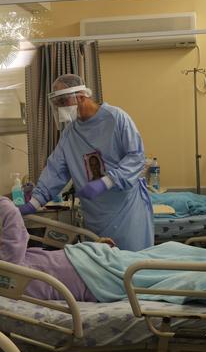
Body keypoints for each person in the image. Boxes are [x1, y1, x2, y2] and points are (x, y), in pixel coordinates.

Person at [0, 188, 206, 302]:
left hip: (96, 261)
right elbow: (15, 227)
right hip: (98, 275)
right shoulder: (5, 267)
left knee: (168, 251)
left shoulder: (14, 260)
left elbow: (48, 256)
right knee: (167, 266)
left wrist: (96, 246)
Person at [19, 74, 154, 251]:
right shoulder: (70, 134)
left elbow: (136, 157)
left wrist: (107, 181)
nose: (59, 107)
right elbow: (56, 169)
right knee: (102, 268)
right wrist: (35, 202)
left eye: (63, 101)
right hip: (95, 214)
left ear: (81, 97)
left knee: (133, 266)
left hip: (126, 209)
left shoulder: (116, 118)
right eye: (57, 103)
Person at [0, 188, 107, 301]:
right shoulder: (8, 261)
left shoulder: (14, 259)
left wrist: (94, 248)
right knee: (126, 269)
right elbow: (13, 215)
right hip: (88, 274)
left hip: (86, 262)